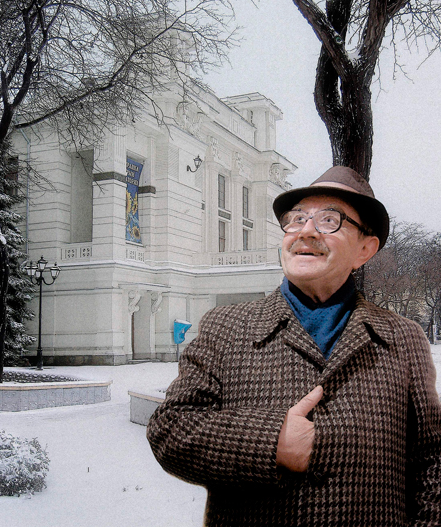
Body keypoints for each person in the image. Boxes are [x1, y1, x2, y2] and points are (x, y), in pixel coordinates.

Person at [147, 166, 441, 526]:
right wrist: (271, 442)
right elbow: (170, 430)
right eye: (297, 218)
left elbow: (433, 461)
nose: (306, 231)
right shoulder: (225, 326)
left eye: (329, 220)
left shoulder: (404, 338)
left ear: (365, 249)